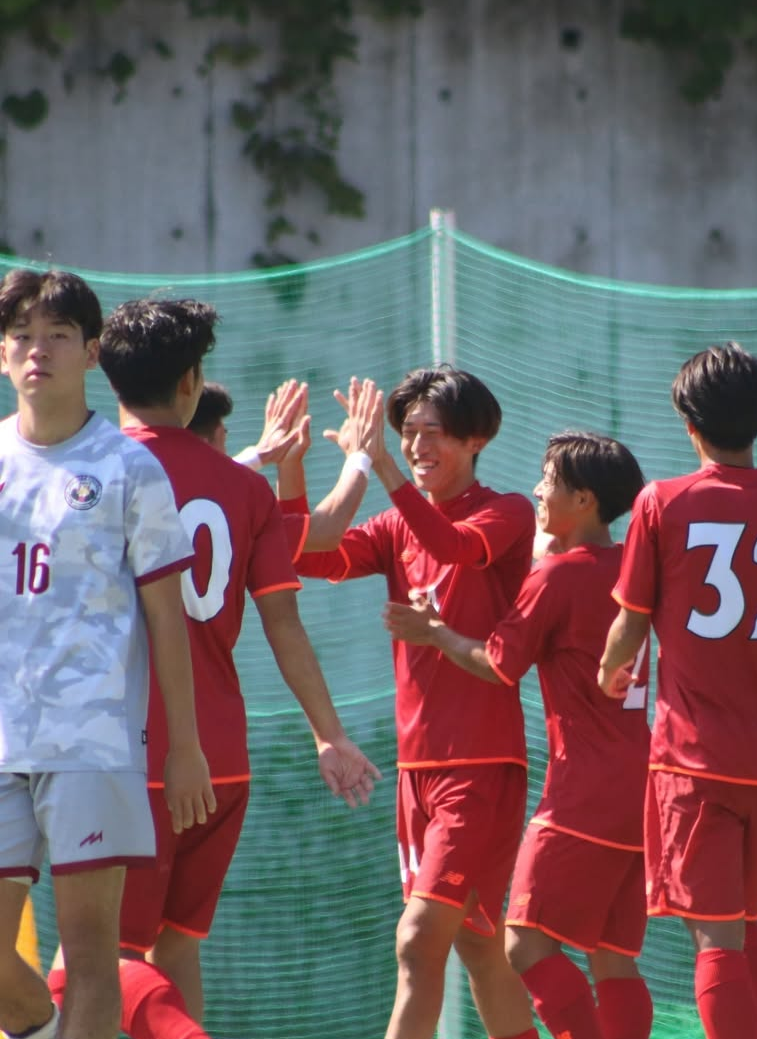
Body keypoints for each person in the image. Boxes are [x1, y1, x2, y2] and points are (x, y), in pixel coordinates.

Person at [45, 298, 381, 1036]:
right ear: (193, 384)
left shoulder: (83, 473)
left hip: (126, 755)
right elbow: (285, 625)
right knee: (177, 944)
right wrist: (329, 735)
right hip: (221, 758)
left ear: (103, 371)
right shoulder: (242, 485)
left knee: (99, 957)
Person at [597, 342, 757, 1039]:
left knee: (714, 939)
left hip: (693, 760)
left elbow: (630, 621)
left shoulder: (662, 502)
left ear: (689, 422)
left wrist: (608, 670)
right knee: (742, 922)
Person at [0, 269, 214, 1039]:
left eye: (57, 335)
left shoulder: (130, 468)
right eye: (21, 333)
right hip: (1, 741)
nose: (37, 350)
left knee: (93, 959)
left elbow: (166, 618)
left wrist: (184, 748)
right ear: (0, 352)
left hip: (95, 746)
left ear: (92, 353)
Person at [294, 367, 539, 1039]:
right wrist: (293, 467)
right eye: (406, 434)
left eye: (433, 432)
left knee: (416, 940)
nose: (416, 444)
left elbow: (452, 544)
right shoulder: (397, 526)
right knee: (480, 947)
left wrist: (379, 464)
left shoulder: (507, 511)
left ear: (476, 437)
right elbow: (307, 556)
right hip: (417, 774)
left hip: (481, 768)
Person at [384, 431, 652, 1039]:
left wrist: (437, 634)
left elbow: (498, 664)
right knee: (613, 954)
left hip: (582, 790)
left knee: (523, 944)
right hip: (643, 784)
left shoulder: (557, 578)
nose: (536, 490)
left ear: (582, 500)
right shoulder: (637, 567)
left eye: (548, 480)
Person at [191, 376, 371, 554]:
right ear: (207, 443)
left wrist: (258, 457)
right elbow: (325, 531)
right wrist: (360, 454)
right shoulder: (232, 514)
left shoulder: (167, 491)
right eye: (225, 433)